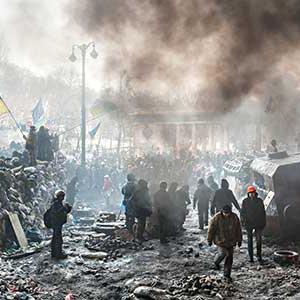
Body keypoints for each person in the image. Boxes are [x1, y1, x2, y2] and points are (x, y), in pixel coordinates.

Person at [207, 205, 242, 281]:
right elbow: (211, 229)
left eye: (228, 213)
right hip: (220, 241)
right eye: (225, 213)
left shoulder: (234, 217)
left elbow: (238, 229)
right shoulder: (217, 217)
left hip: (231, 241)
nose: (226, 214)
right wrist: (209, 240)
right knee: (222, 253)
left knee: (229, 257)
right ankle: (216, 262)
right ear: (222, 211)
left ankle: (227, 274)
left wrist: (239, 240)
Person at [241, 186, 266, 263]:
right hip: (249, 223)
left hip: (258, 223)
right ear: (248, 193)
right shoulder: (245, 201)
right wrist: (243, 222)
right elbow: (242, 213)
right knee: (250, 241)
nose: (252, 194)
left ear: (255, 193)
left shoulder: (260, 201)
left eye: (253, 193)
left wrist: (263, 223)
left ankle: (259, 256)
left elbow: (263, 213)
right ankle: (251, 257)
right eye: (250, 193)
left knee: (258, 240)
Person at [49, 190, 72, 259]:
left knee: (55, 237)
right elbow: (58, 213)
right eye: (62, 196)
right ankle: (58, 254)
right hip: (56, 223)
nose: (63, 198)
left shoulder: (58, 203)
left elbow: (64, 212)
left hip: (57, 223)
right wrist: (64, 207)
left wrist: (67, 208)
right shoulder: (56, 204)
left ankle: (54, 253)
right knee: (58, 238)